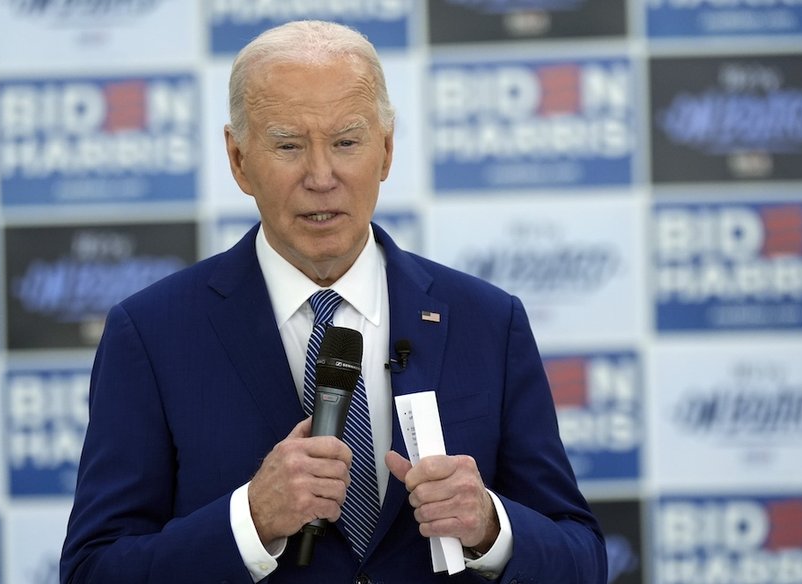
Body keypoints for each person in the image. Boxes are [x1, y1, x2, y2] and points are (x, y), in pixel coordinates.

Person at [60, 19, 606, 584]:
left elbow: (582, 558)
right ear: (239, 159)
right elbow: (92, 570)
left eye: (346, 142)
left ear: (387, 150)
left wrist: (492, 528)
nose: (321, 176)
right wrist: (250, 521)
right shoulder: (151, 334)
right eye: (288, 145)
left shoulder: (489, 322)